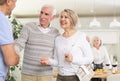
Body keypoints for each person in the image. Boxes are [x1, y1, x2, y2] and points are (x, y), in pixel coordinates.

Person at [40, 9, 93, 81]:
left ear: (72, 19)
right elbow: (57, 61)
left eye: (66, 17)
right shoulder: (58, 39)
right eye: (61, 17)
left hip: (76, 77)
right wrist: (49, 61)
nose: (62, 19)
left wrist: (73, 59)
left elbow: (90, 59)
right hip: (60, 77)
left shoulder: (81, 36)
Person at [14, 5, 60, 81]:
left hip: (46, 75)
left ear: (53, 17)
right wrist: (11, 52)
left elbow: (61, 50)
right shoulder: (28, 27)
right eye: (41, 12)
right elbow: (19, 44)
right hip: (27, 74)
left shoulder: (56, 33)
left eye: (46, 14)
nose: (42, 16)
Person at [0, 0, 20, 81]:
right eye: (15, 2)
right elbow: (11, 60)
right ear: (8, 1)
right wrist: (17, 57)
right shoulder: (3, 21)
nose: (15, 6)